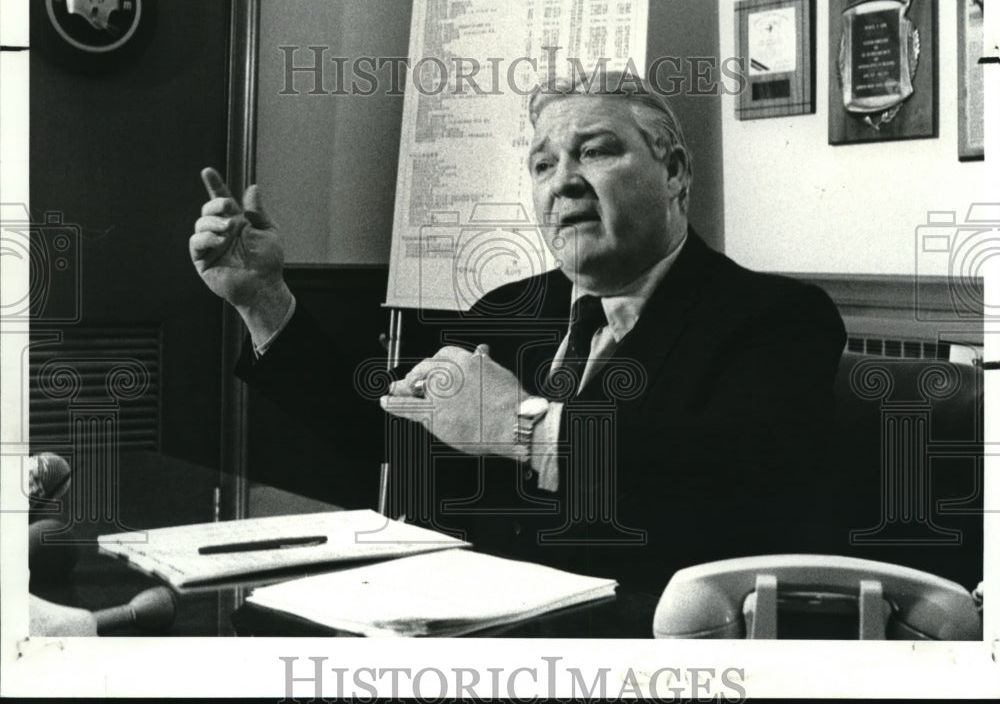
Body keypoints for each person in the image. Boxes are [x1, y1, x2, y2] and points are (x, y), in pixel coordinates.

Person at [189, 72, 847, 594]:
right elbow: (383, 423)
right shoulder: (511, 308)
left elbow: (735, 471)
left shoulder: (775, 317)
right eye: (542, 165)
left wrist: (519, 425)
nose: (563, 180)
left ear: (674, 172)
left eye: (596, 150)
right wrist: (264, 300)